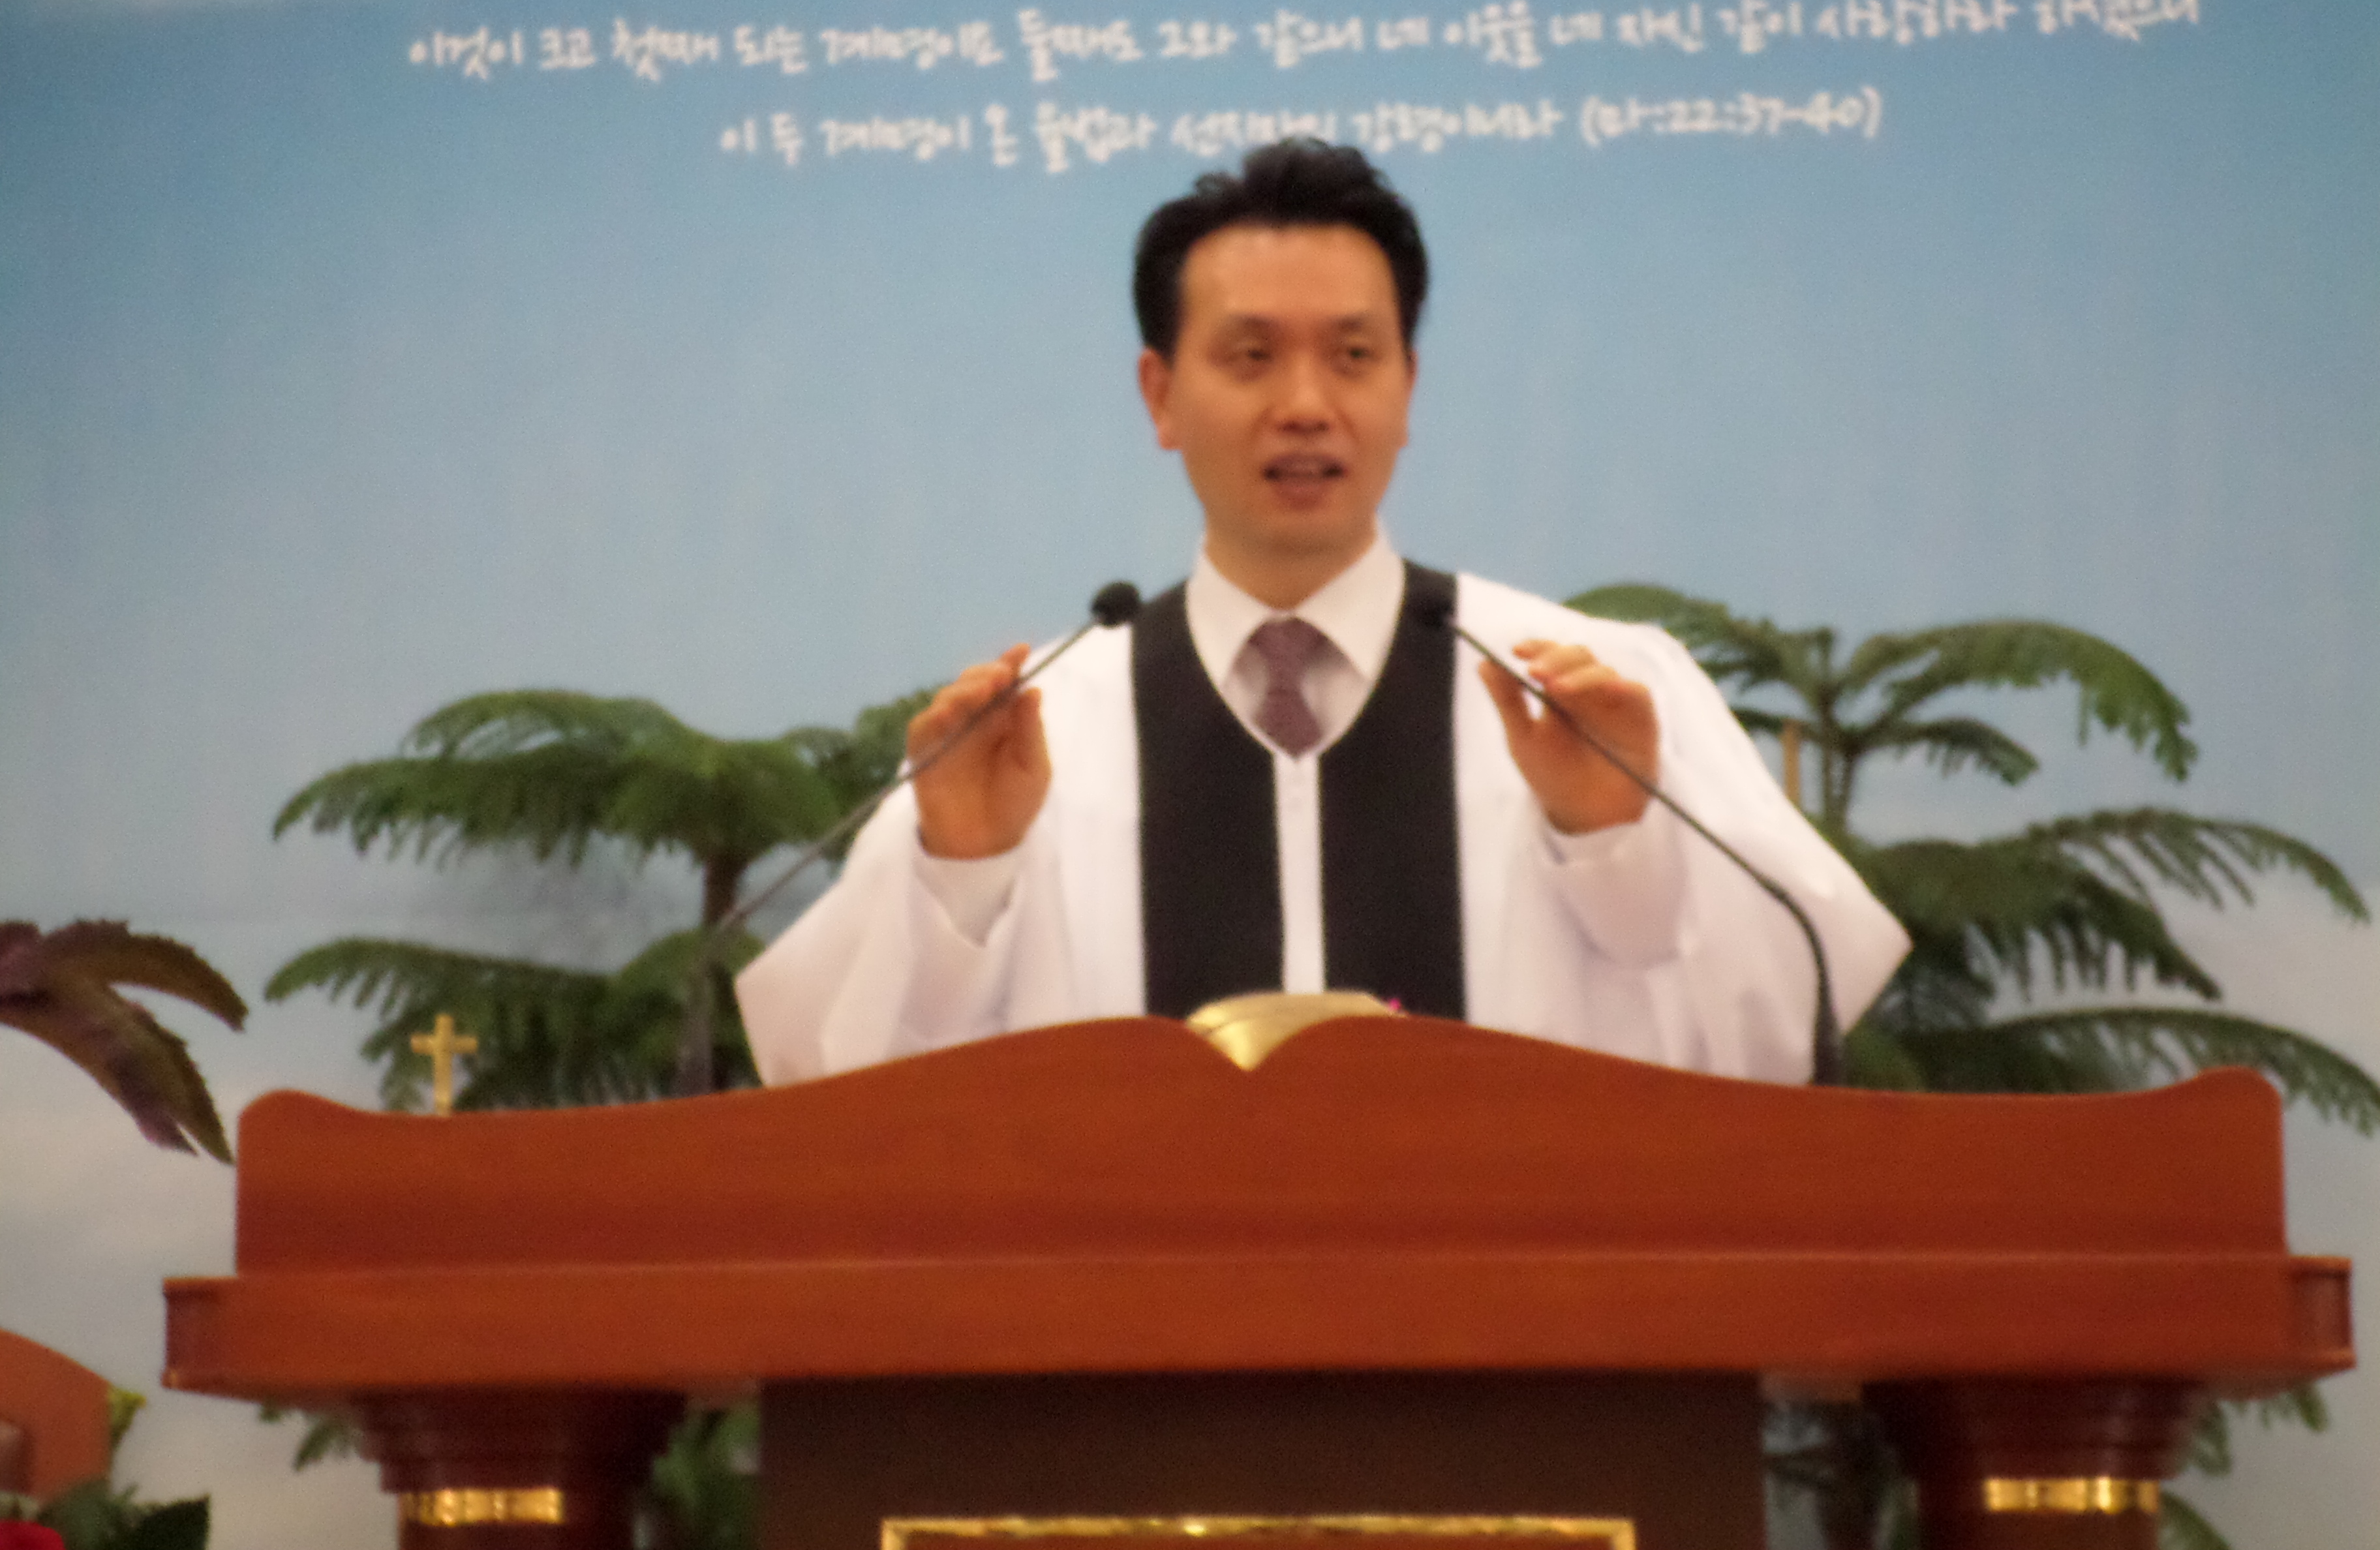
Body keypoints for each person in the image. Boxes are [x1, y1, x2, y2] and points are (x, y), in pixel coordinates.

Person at [736, 141, 1906, 1085]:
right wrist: (961, 877)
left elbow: (1781, 1045)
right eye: (1250, 357)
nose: (1306, 405)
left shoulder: (1595, 695)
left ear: (1408, 387)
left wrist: (1618, 846)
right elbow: (845, 1097)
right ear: (1161, 395)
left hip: (1515, 1316)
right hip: (1141, 1319)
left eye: (1353, 355)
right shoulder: (1032, 732)